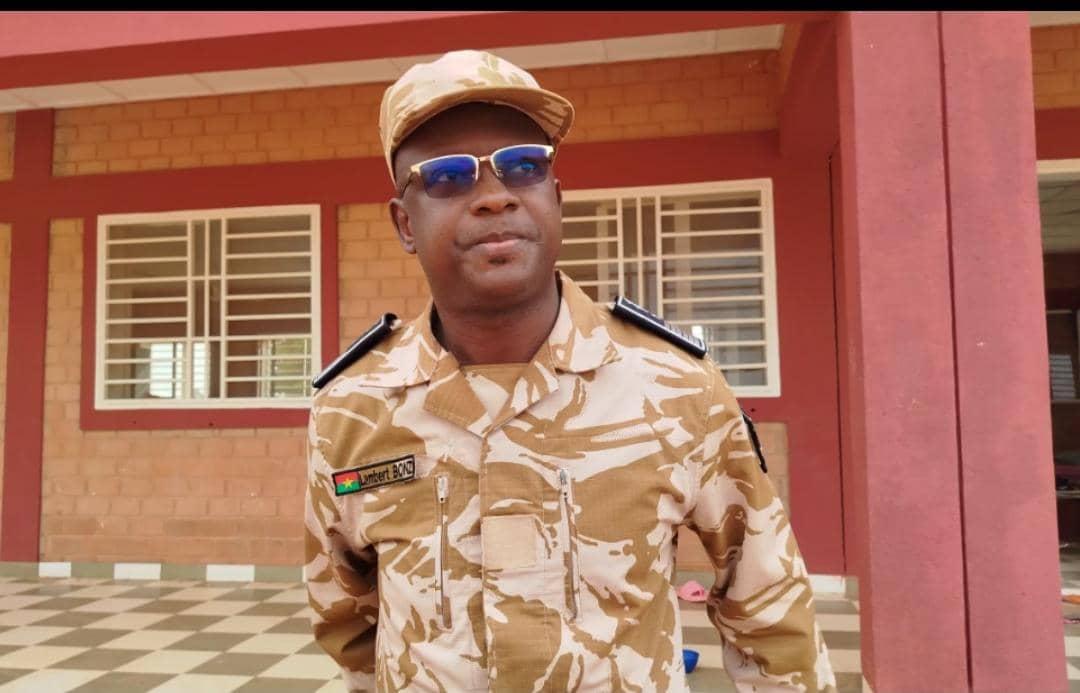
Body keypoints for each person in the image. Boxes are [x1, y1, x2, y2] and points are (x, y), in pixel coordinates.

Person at [304, 49, 837, 693]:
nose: (494, 197)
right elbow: (347, 619)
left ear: (554, 198)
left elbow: (770, 614)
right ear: (404, 223)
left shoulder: (677, 386)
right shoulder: (352, 405)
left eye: (523, 166)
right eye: (447, 176)